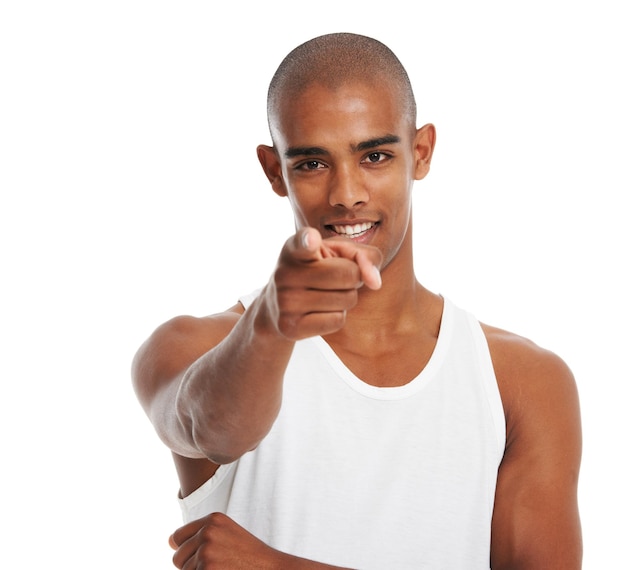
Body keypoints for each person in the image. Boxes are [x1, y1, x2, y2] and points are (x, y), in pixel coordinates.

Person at [131, 32, 583, 569]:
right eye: (312, 164)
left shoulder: (522, 381)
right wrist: (271, 326)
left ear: (421, 152)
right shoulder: (192, 345)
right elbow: (213, 430)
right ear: (275, 170)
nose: (347, 193)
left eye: (374, 155)